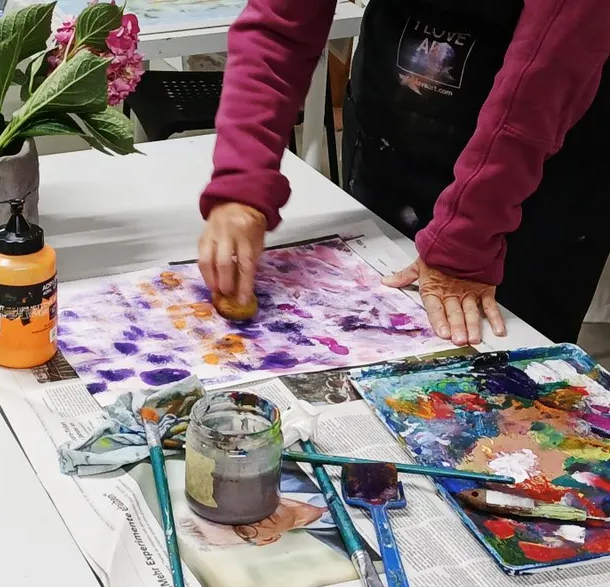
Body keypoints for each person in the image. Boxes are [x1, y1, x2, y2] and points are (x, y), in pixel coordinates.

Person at [198, 0, 610, 346]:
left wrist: (465, 240)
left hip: (535, 163)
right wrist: (241, 182)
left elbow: (547, 73)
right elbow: (280, 28)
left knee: (498, 390)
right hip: (393, 116)